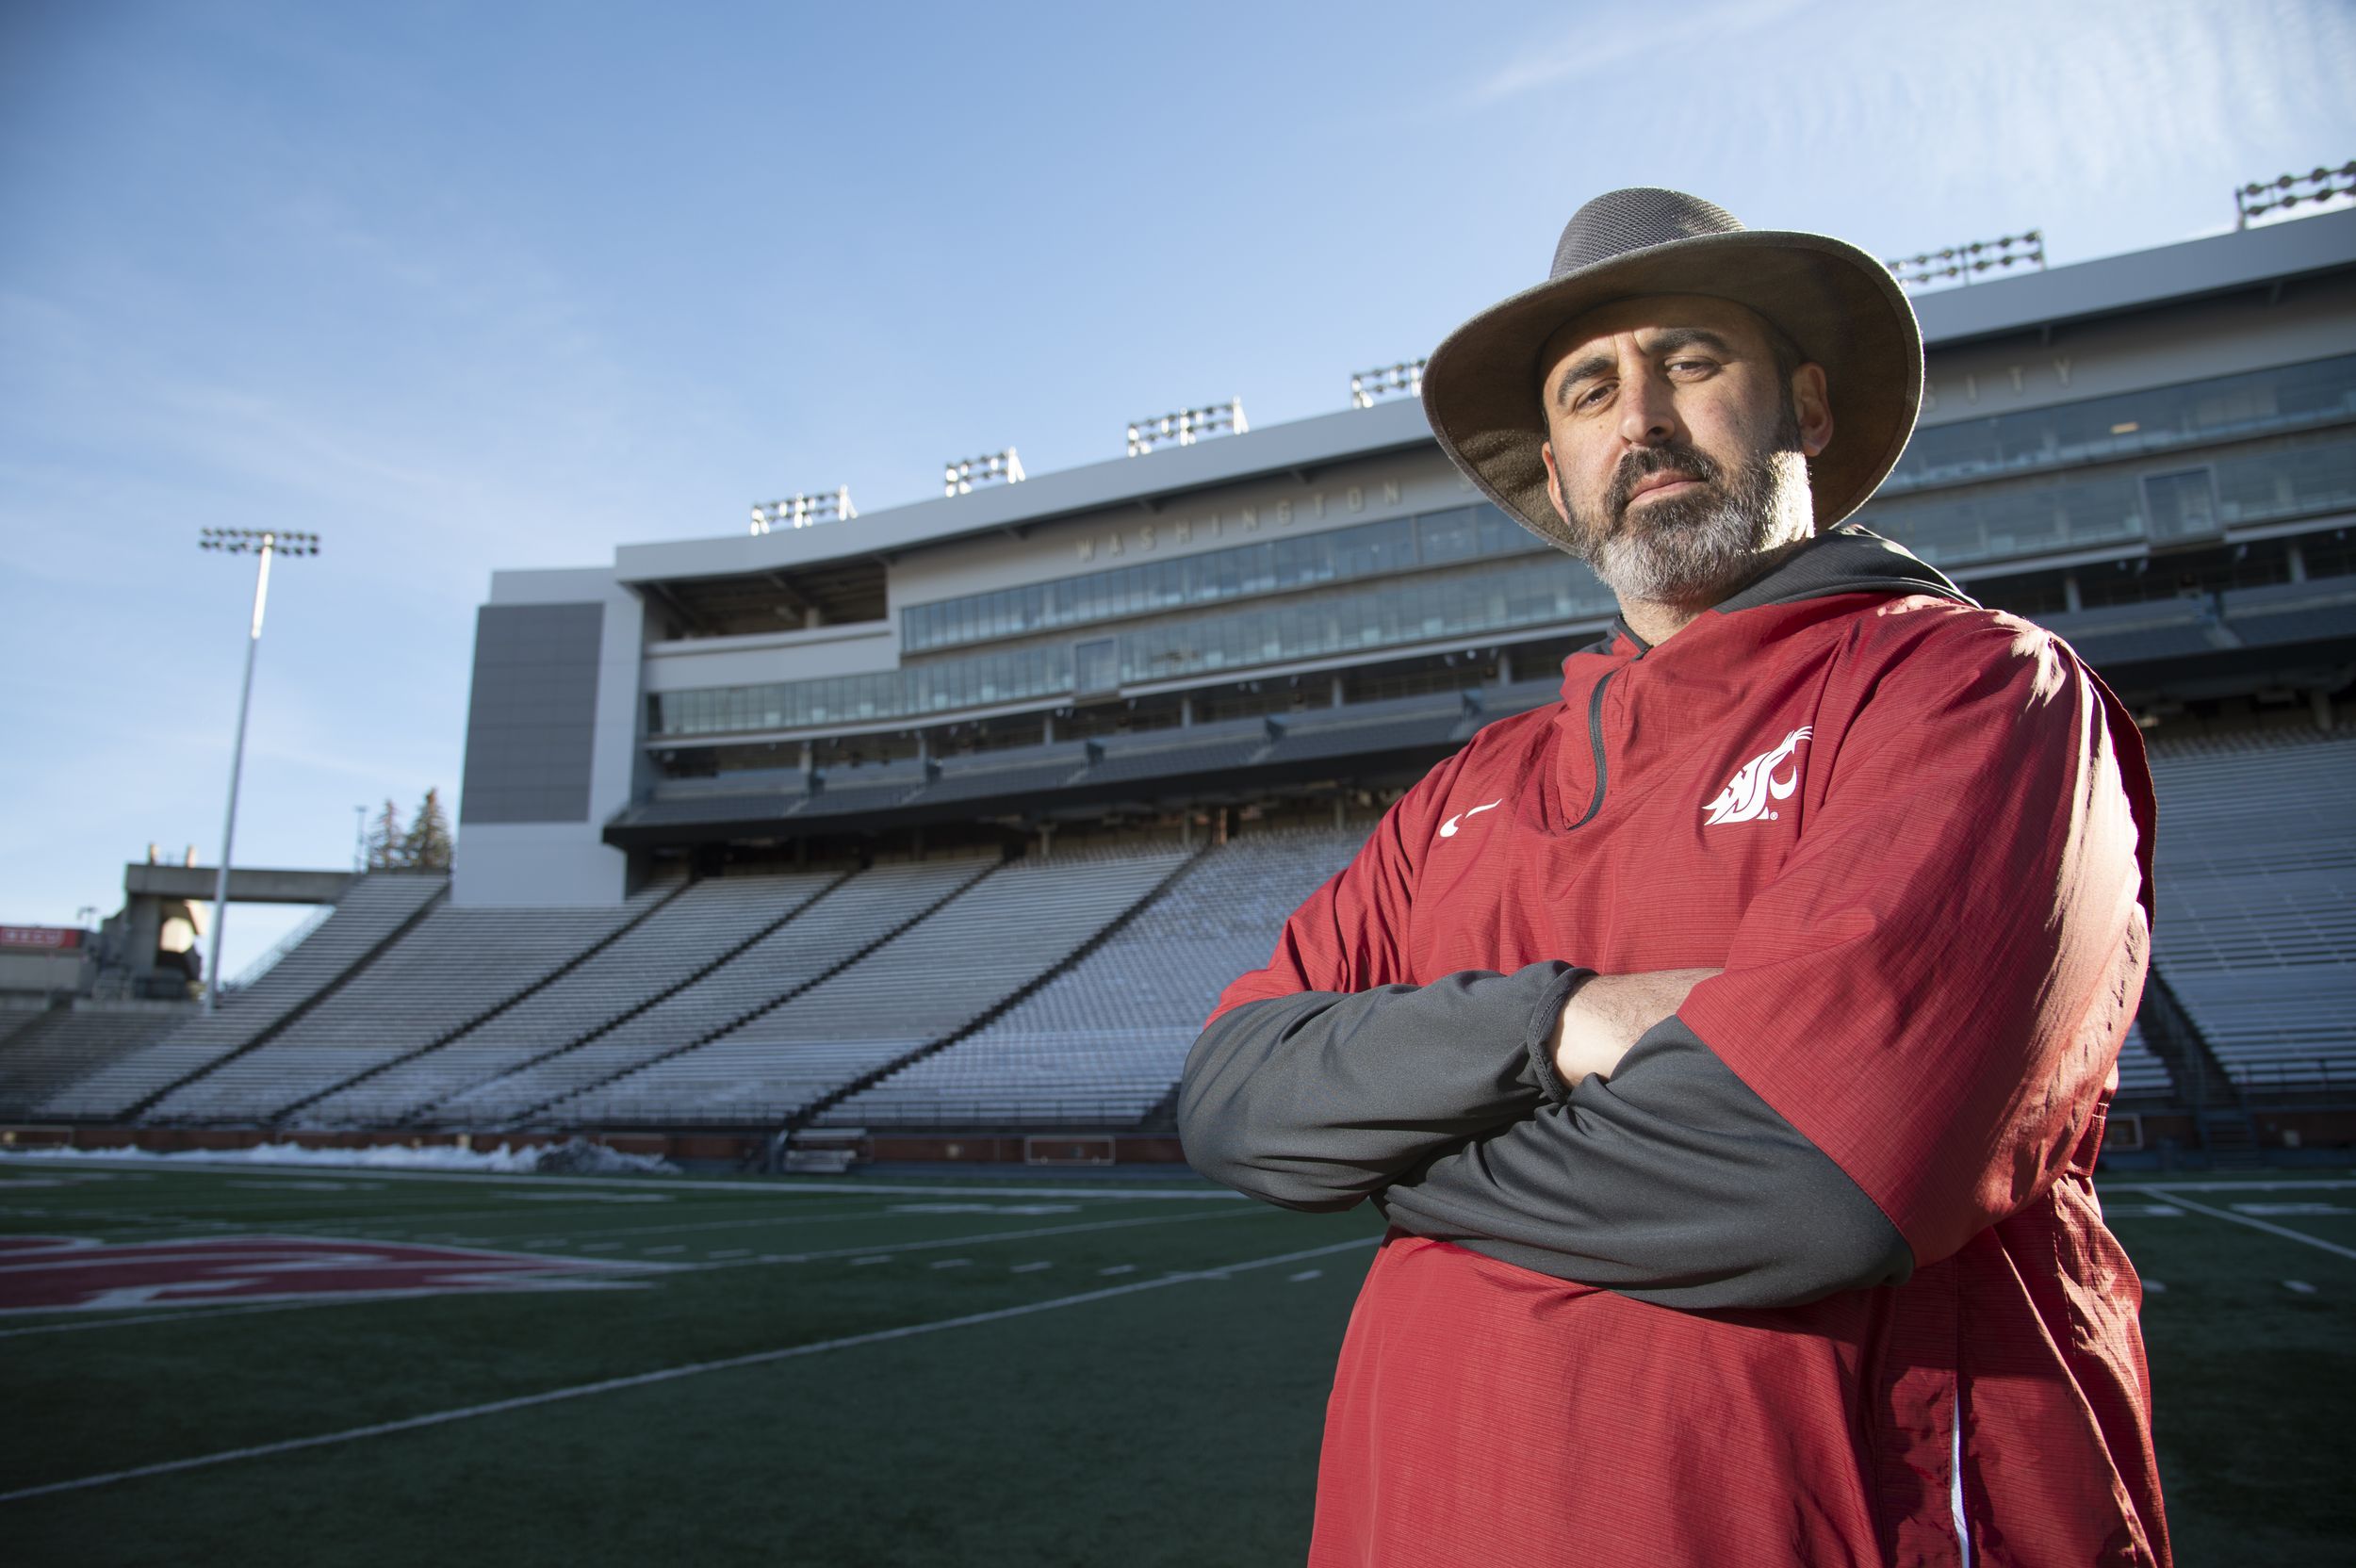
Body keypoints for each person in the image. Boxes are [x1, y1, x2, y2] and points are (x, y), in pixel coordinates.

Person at [1179, 188, 2168, 1567]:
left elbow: (1809, 1181)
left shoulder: (1969, 690)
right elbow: (1231, 1099)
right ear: (1559, 462)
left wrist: (1398, 1174)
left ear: (1807, 409)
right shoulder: (1466, 790)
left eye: (1690, 363)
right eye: (1592, 389)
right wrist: (1562, 1023)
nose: (1637, 416)